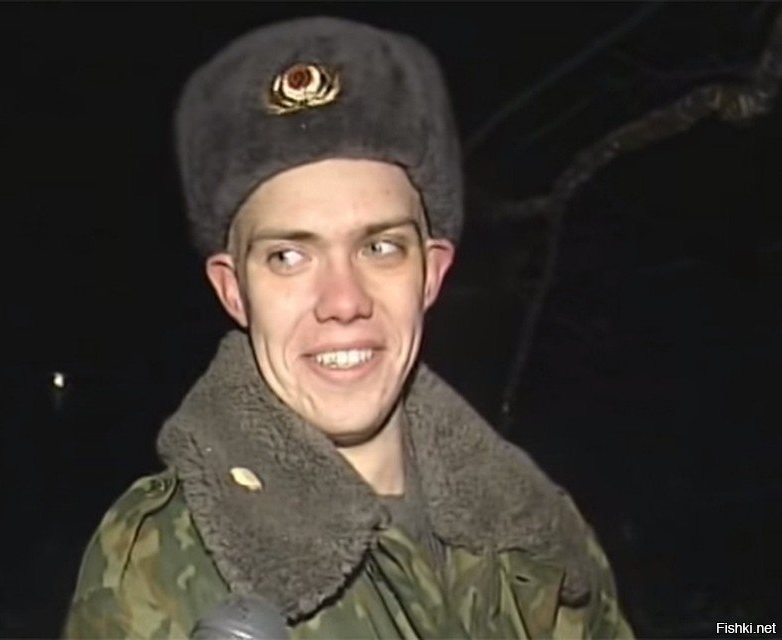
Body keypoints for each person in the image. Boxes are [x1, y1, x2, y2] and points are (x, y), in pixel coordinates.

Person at [62, 16, 632, 639]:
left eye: (380, 248)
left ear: (432, 274)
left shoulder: (543, 539)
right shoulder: (156, 564)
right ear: (234, 291)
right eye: (289, 256)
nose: (343, 301)